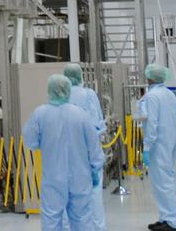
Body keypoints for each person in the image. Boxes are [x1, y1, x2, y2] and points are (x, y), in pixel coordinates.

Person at [23, 74, 102, 231]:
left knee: (51, 219)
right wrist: (95, 169)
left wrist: (44, 143)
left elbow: (30, 141)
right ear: (68, 91)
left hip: (53, 177)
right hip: (80, 177)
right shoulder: (81, 114)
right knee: (82, 219)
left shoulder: (40, 114)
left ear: (49, 90)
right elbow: (94, 146)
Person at [63, 63, 106, 230]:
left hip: (66, 154)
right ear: (80, 76)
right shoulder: (88, 95)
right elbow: (97, 125)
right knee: (93, 196)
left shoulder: (59, 97)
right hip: (87, 153)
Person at [140, 64, 176, 231]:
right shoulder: (169, 93)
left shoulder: (152, 96)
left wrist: (147, 147)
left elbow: (152, 124)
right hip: (170, 141)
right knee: (165, 181)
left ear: (150, 77)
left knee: (163, 183)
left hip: (158, 144)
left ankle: (171, 222)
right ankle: (165, 217)